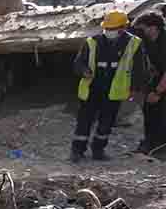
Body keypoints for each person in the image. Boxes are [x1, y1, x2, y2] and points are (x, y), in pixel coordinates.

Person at [70, 10, 152, 162]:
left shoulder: (134, 44)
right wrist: (83, 71)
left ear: (123, 28)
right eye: (107, 28)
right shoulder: (92, 42)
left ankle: (98, 150)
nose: (109, 31)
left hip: (114, 90)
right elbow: (78, 63)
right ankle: (77, 151)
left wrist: (135, 89)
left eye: (112, 28)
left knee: (106, 123)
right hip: (92, 88)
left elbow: (140, 69)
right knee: (84, 121)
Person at [132, 12, 166, 154]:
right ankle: (150, 141)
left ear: (153, 28)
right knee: (149, 110)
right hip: (157, 78)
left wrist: (158, 92)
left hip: (163, 81)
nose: (140, 32)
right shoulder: (147, 41)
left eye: (142, 29)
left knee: (161, 112)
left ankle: (159, 145)